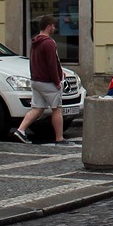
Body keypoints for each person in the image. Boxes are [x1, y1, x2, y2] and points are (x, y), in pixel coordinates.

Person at [11, 15, 70, 145]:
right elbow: (51, 63)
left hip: (36, 80)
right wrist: (57, 81)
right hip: (48, 82)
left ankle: (21, 130)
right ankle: (59, 138)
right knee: (57, 109)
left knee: (38, 108)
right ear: (49, 26)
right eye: (53, 26)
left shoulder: (35, 41)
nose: (54, 28)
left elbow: (36, 62)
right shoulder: (49, 43)